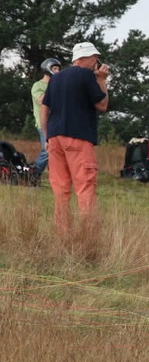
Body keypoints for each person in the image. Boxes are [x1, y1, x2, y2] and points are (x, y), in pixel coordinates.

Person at [40, 42, 109, 236]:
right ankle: (88, 236)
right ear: (86, 57)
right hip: (78, 137)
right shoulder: (87, 75)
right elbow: (102, 104)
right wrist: (102, 80)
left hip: (54, 138)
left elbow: (45, 108)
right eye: (95, 58)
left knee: (60, 188)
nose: (97, 62)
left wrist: (46, 136)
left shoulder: (56, 78)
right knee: (85, 186)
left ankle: (62, 234)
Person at [30, 57, 61, 176]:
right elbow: (41, 100)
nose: (57, 71)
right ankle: (34, 172)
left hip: (56, 122)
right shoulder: (38, 85)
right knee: (48, 149)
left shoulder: (58, 85)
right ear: (47, 69)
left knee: (56, 149)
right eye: (55, 68)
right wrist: (54, 86)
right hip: (43, 123)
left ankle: (37, 171)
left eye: (58, 69)